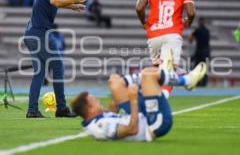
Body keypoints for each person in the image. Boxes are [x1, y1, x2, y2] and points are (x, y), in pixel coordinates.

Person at [71, 60, 207, 141]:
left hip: (144, 115)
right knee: (149, 75)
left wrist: (117, 89)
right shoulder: (100, 127)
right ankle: (186, 81)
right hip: (154, 124)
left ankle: (162, 83)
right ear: (90, 108)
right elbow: (132, 130)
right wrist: (133, 100)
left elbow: (113, 110)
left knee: (114, 80)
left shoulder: (95, 119)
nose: (99, 100)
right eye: (95, 101)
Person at [23, 0, 86, 118]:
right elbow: (56, 2)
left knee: (39, 73)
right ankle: (61, 108)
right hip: (40, 34)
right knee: (57, 67)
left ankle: (32, 110)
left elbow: (54, 3)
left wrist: (72, 6)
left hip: (31, 34)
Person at [136, 0, 195, 93]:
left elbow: (139, 7)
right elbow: (191, 12)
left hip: (154, 36)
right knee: (168, 72)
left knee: (159, 72)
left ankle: (148, 96)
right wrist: (188, 22)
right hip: (171, 34)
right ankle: (182, 82)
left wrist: (143, 22)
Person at [189, 17, 210, 86]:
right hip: (206, 52)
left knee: (197, 67)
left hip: (199, 52)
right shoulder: (207, 31)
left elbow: (190, 40)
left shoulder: (197, 30)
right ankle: (204, 83)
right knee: (205, 68)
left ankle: (197, 82)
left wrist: (191, 37)